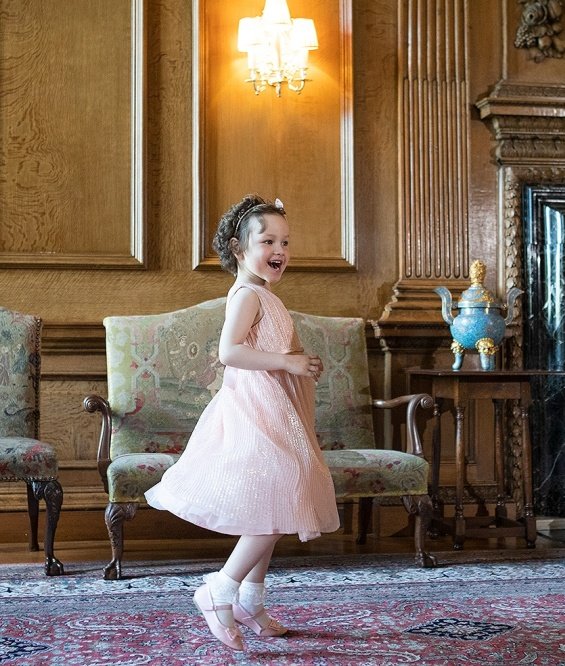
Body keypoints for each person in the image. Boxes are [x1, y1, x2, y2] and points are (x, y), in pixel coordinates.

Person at [145, 194, 340, 651]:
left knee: (270, 502)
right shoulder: (247, 295)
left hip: (276, 406)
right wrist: (286, 363)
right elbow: (229, 353)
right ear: (239, 248)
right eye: (268, 240)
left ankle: (251, 599)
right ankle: (220, 589)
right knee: (282, 491)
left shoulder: (267, 296)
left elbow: (277, 350)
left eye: (286, 242)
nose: (280, 250)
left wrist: (300, 363)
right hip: (254, 409)